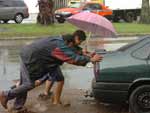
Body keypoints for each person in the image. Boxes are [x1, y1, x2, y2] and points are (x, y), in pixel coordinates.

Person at [0, 30, 103, 111]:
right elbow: (70, 58)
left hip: (41, 61)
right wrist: (90, 59)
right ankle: (6, 94)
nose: (79, 44)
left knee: (55, 78)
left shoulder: (63, 40)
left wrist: (84, 53)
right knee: (28, 84)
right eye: (80, 41)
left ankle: (18, 107)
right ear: (74, 39)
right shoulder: (59, 46)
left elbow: (73, 49)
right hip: (30, 59)